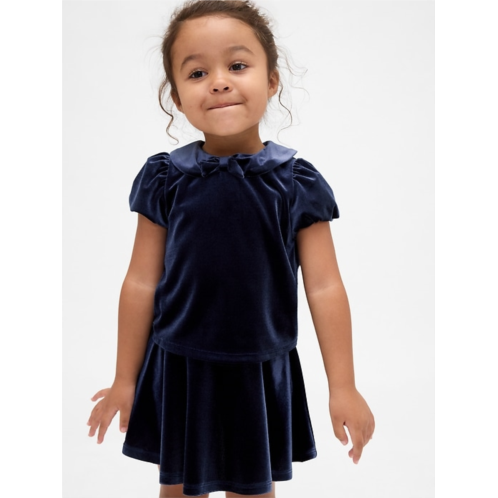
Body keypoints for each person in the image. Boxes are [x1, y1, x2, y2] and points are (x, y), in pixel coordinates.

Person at [87, 1, 375, 496]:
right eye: (198, 72)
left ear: (272, 80)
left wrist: (343, 386)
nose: (219, 82)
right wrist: (124, 378)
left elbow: (325, 287)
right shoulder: (165, 179)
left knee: (252, 490)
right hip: (180, 367)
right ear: (177, 97)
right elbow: (140, 281)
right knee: (179, 489)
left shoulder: (296, 184)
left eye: (237, 65)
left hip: (258, 372)